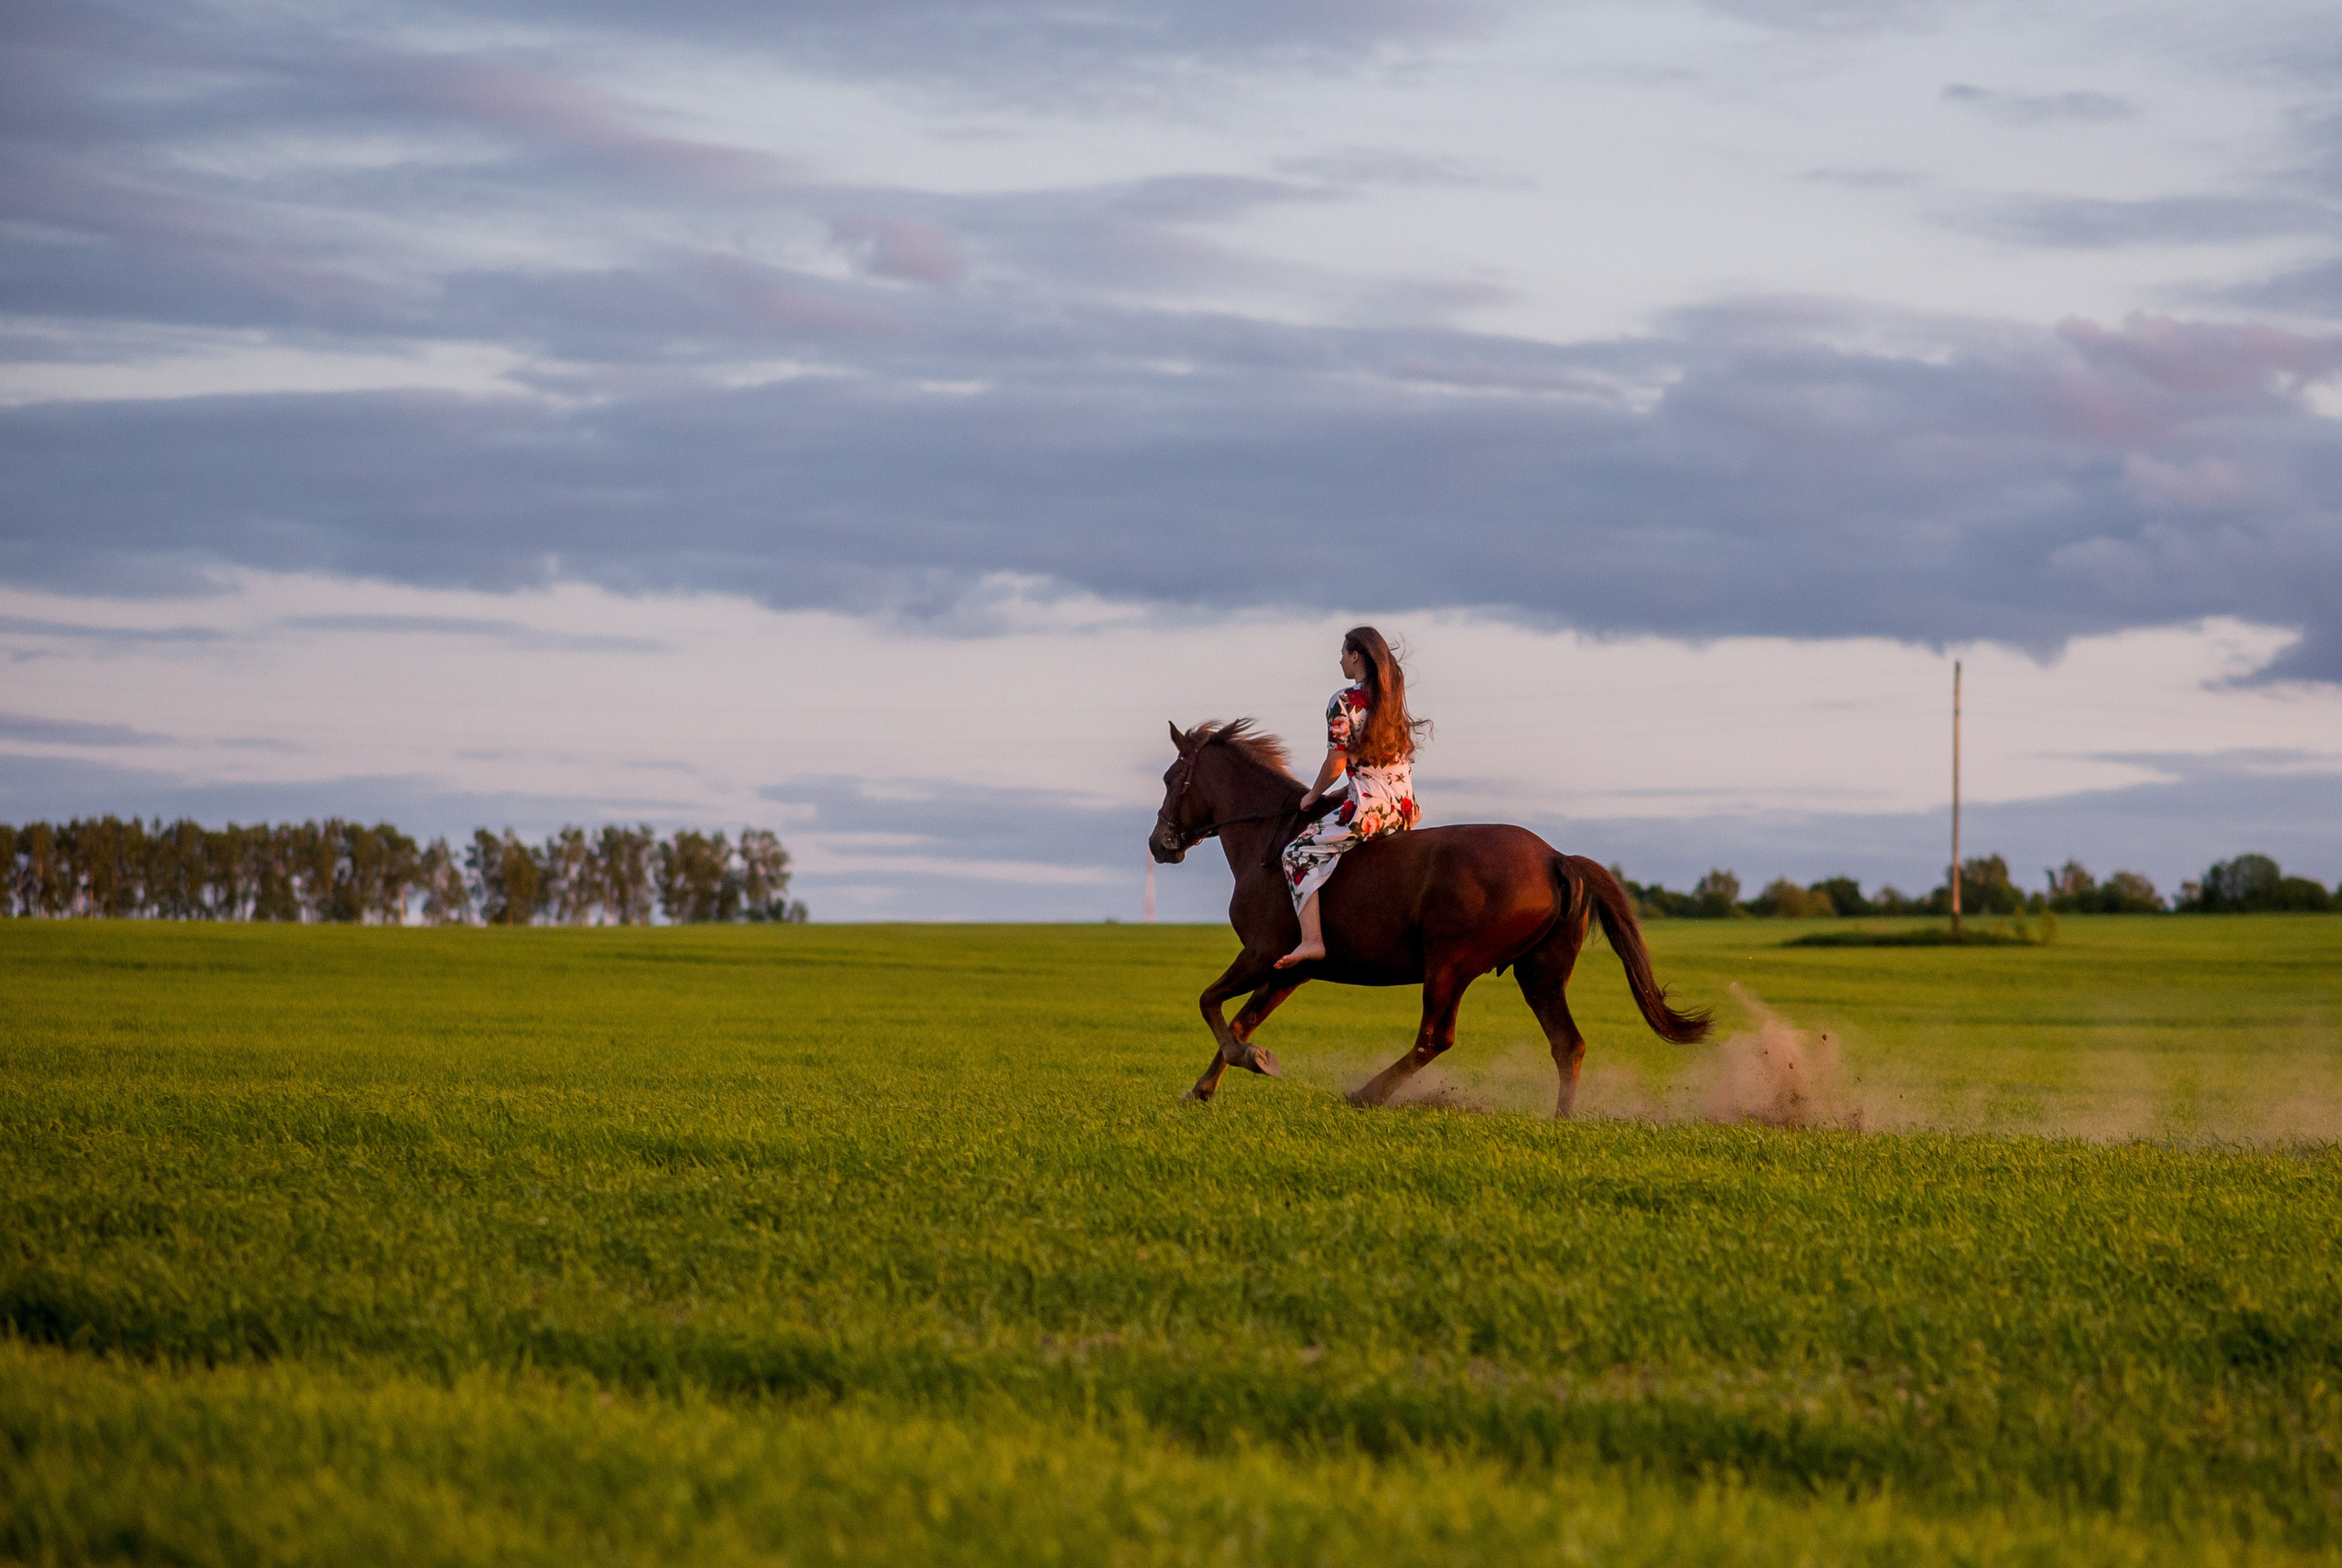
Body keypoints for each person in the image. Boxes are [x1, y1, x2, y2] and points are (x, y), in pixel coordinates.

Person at [1275, 626, 1425, 968]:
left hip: (1368, 810)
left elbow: (1336, 763)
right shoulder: (1390, 699)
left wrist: (1312, 795)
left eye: (1343, 653)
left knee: (1296, 854)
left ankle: (1312, 940)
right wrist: (1346, 789)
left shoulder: (1344, 701)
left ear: (1356, 656)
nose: (1339, 659)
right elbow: (1377, 766)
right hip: (1404, 807)